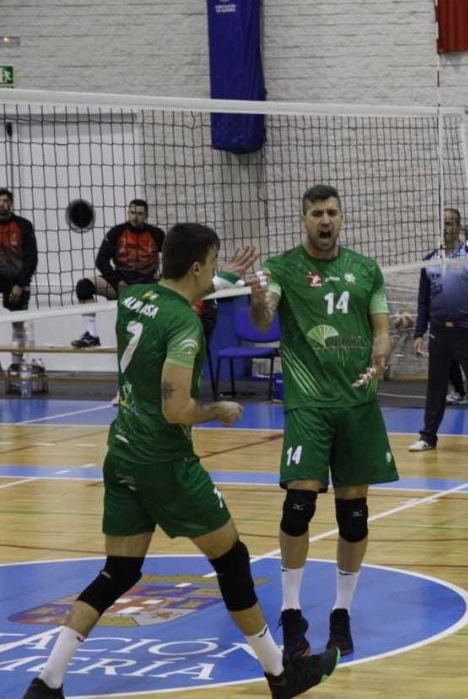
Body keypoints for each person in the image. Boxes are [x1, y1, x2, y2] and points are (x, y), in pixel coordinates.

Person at [21, 224, 338, 699]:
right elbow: (177, 408)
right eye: (210, 264)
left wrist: (223, 276)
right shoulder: (183, 324)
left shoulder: (135, 299)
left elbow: (179, 294)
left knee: (119, 573)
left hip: (123, 452)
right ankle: (281, 675)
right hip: (164, 461)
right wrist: (219, 410)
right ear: (194, 266)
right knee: (232, 560)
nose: (213, 271)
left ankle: (47, 682)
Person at [249, 184, 399, 659]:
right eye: (317, 213)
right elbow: (262, 318)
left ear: (341, 217)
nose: (326, 220)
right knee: (298, 506)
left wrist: (380, 359)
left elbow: (381, 331)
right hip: (309, 406)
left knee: (354, 517)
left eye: (332, 212)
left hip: (356, 404)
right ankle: (291, 612)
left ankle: (341, 613)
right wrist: (255, 297)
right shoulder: (282, 268)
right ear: (303, 219)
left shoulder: (364, 269)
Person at [409, 207, 468, 452]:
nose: (448, 228)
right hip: (438, 332)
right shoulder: (430, 260)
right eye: (444, 223)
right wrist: (418, 332)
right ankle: (428, 437)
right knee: (436, 385)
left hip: (466, 330)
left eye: (452, 223)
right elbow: (424, 299)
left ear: (459, 227)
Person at [72, 199, 165, 348]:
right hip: (121, 285)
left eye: (140, 214)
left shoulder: (156, 234)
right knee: (84, 286)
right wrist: (117, 281)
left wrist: (163, 278)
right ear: (128, 212)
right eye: (133, 212)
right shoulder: (117, 233)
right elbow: (101, 260)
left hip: (146, 289)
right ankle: (92, 335)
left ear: (146, 215)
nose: (135, 217)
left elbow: (171, 256)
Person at [0, 188, 38, 356]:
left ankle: (17, 365)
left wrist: (20, 284)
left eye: (5, 201)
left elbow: (32, 259)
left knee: (18, 324)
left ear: (11, 204)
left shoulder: (23, 225)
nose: (1, 205)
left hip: (16, 281)